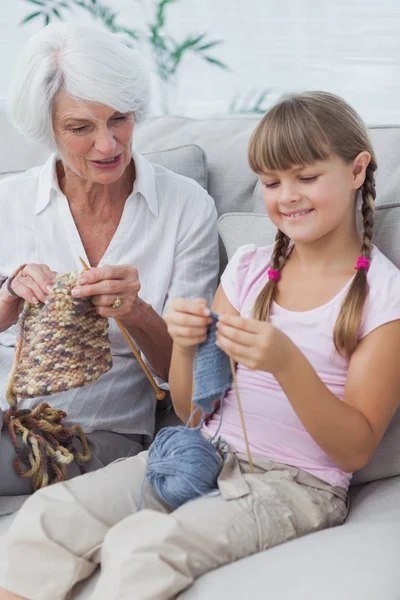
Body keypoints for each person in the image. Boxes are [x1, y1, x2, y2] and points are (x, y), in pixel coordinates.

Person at [2, 90, 400, 600]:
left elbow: (355, 447)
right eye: (272, 182)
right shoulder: (250, 271)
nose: (288, 196)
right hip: (199, 452)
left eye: (306, 177)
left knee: (142, 549)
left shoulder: (382, 300)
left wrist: (285, 363)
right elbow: (192, 407)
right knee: (48, 517)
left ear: (357, 169)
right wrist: (188, 346)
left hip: (296, 483)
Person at [0, 22, 219, 498]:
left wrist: (137, 313)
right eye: (80, 128)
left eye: (120, 118)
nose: (108, 144)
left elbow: (193, 379)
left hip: (92, 434)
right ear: (48, 128)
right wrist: (9, 299)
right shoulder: (8, 203)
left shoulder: (185, 208)